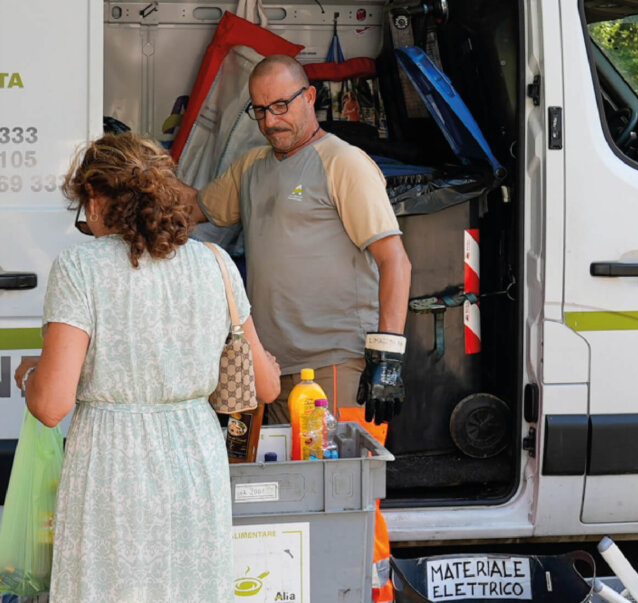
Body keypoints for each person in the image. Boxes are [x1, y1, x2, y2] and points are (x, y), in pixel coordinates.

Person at [181, 54, 411, 602]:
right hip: (266, 374)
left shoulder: (342, 162)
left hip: (333, 367)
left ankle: (373, 597)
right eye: (259, 110)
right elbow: (190, 209)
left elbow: (395, 260)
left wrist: (389, 357)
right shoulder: (253, 168)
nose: (271, 120)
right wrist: (130, 190)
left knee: (347, 503)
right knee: (280, 507)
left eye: (281, 105)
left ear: (310, 98)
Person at [14, 133, 281, 601]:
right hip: (197, 463)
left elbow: (52, 405)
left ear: (95, 198)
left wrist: (33, 376)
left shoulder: (80, 267)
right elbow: (266, 386)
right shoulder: (214, 263)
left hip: (112, 466)